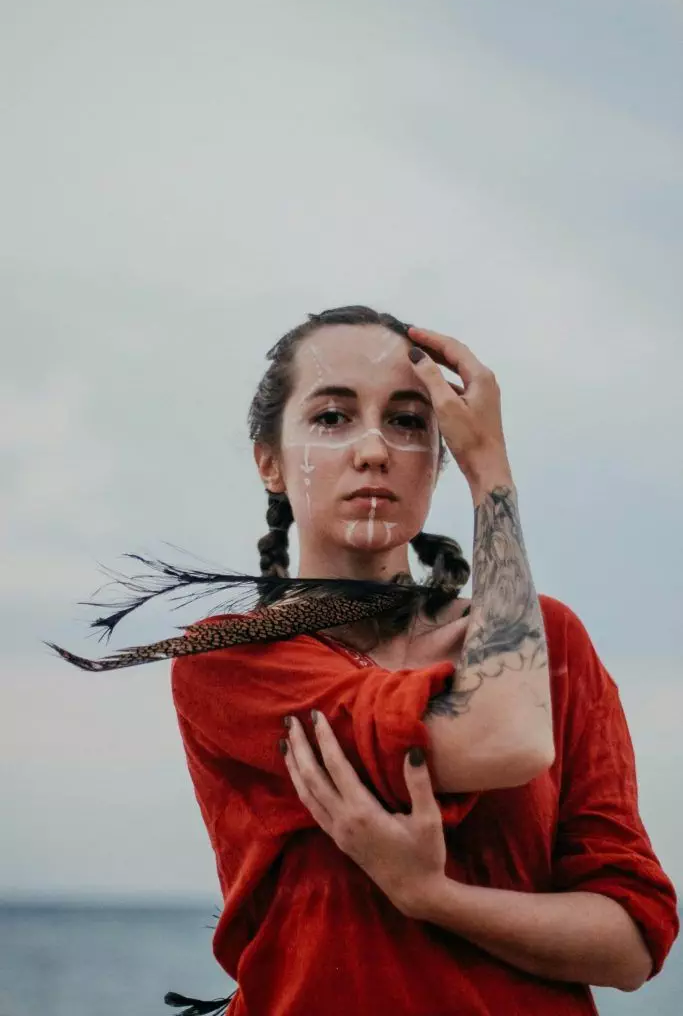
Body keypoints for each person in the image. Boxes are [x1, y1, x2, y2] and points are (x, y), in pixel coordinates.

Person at [51, 306, 678, 1015]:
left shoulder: (550, 644)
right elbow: (500, 738)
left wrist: (433, 898)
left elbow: (631, 945)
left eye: (410, 422)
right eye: (330, 417)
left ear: (443, 457)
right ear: (270, 462)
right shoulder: (229, 659)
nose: (374, 449)